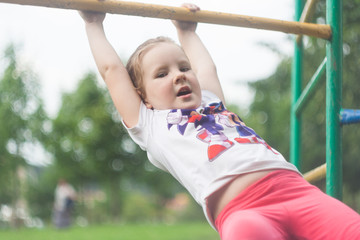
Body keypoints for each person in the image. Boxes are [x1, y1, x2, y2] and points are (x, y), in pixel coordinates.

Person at [79, 4, 360, 239]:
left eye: (183, 67)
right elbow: (112, 70)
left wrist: (186, 31)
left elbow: (206, 68)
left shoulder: (211, 100)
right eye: (162, 74)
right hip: (242, 211)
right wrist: (93, 23)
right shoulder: (149, 124)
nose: (178, 75)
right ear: (143, 97)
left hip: (296, 192)